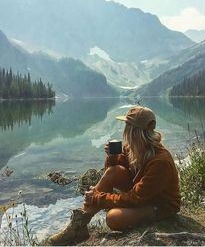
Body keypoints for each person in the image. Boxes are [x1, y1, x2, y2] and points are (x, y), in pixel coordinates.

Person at [44, 105, 181, 246]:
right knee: (114, 171)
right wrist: (112, 157)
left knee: (113, 218)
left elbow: (136, 198)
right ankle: (77, 227)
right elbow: (111, 173)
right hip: (143, 196)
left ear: (134, 131)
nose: (124, 130)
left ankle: (79, 226)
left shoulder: (160, 162)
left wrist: (99, 198)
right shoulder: (132, 148)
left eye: (126, 126)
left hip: (159, 204)